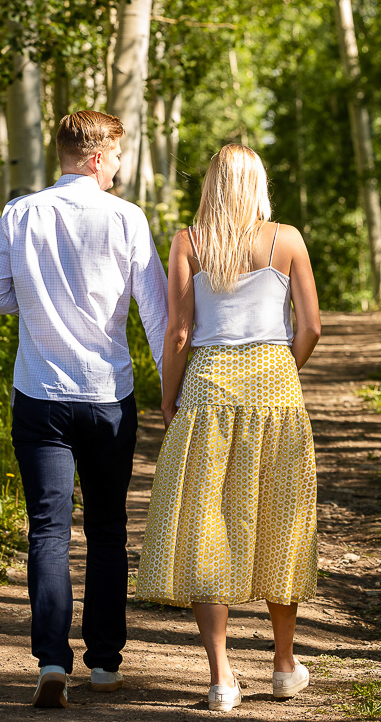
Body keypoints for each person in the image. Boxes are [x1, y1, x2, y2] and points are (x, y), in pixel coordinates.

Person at [0, 110, 169, 708]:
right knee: (107, 531)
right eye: (114, 157)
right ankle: (105, 665)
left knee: (49, 531)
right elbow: (156, 313)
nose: (117, 167)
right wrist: (176, 392)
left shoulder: (20, 214)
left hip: (40, 397)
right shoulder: (127, 218)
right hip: (107, 396)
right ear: (94, 157)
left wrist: (39, 306)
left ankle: (51, 662)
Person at [135, 143, 321, 712]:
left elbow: (178, 335)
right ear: (259, 183)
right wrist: (282, 368)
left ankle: (221, 679)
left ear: (212, 184)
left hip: (209, 386)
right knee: (279, 516)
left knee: (205, 520)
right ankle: (285, 666)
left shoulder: (189, 242)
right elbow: (312, 328)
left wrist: (168, 399)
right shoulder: (285, 239)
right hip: (275, 387)